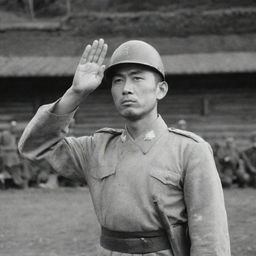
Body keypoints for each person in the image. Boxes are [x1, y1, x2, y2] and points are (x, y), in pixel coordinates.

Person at [18, 39, 230, 255]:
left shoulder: (190, 150)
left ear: (161, 90)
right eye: (118, 81)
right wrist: (76, 93)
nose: (126, 89)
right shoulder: (96, 148)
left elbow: (210, 236)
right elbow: (36, 144)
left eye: (137, 78)